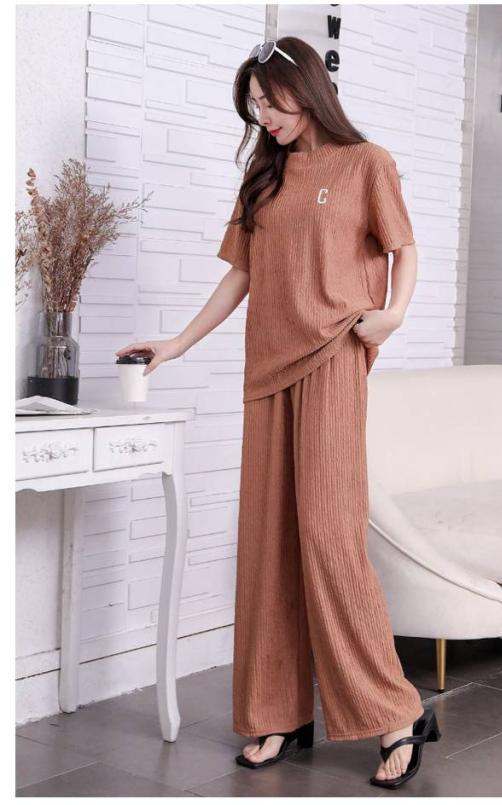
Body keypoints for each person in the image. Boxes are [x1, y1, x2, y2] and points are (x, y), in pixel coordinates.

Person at [115, 36, 440, 789]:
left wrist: (392, 315)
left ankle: (396, 712)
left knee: (328, 537)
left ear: (309, 87)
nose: (264, 116)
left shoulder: (366, 163)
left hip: (334, 356)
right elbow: (242, 276)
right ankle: (278, 712)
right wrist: (177, 343)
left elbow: (405, 248)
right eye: (254, 106)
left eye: (271, 99)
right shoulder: (264, 176)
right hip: (265, 369)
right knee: (268, 542)